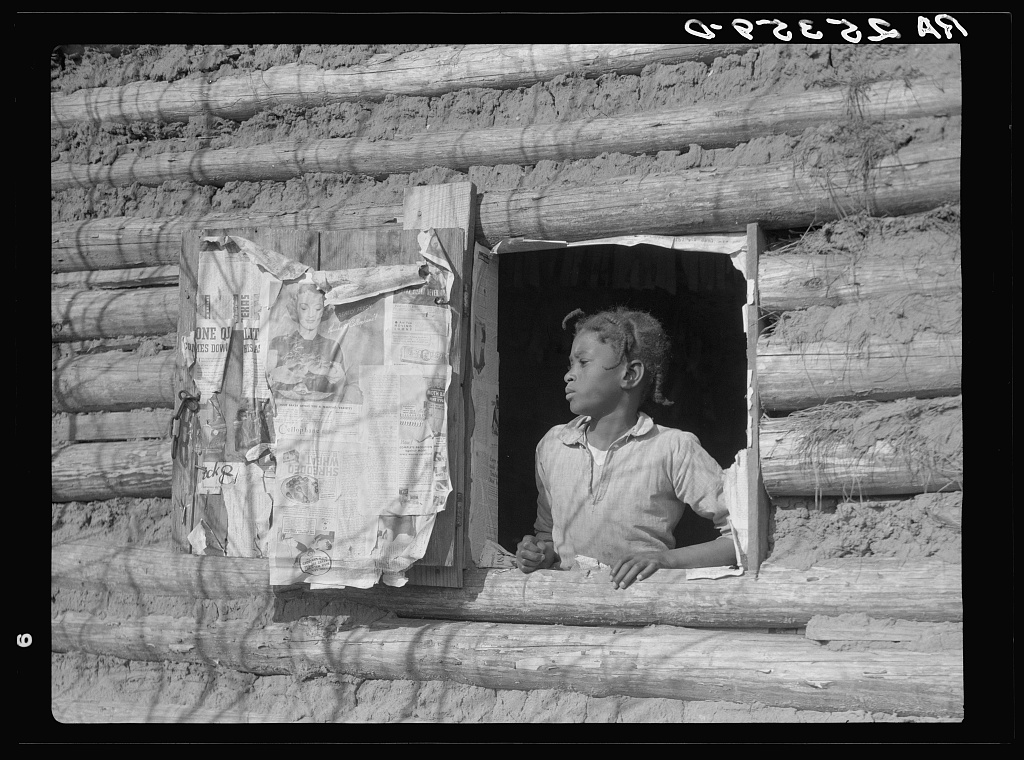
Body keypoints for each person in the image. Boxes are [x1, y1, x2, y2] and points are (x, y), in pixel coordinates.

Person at [515, 307, 738, 589]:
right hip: (569, 613)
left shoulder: (671, 448)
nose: (568, 376)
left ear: (630, 374)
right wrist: (537, 553)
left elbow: (742, 536)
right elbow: (548, 535)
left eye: (582, 363)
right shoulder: (554, 445)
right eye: (570, 365)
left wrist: (665, 560)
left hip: (639, 611)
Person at [266, 282, 362, 403]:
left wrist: (337, 378)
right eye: (304, 308)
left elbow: (340, 388)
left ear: (323, 311)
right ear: (295, 308)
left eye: (317, 309)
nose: (311, 315)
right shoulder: (278, 342)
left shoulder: (332, 346)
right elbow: (267, 382)